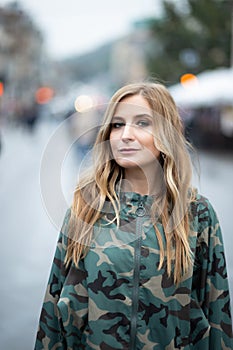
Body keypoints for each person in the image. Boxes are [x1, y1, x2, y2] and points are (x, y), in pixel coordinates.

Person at [34, 81, 233, 349]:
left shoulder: (197, 213)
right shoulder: (86, 210)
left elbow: (218, 313)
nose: (126, 134)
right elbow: (53, 309)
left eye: (142, 123)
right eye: (117, 124)